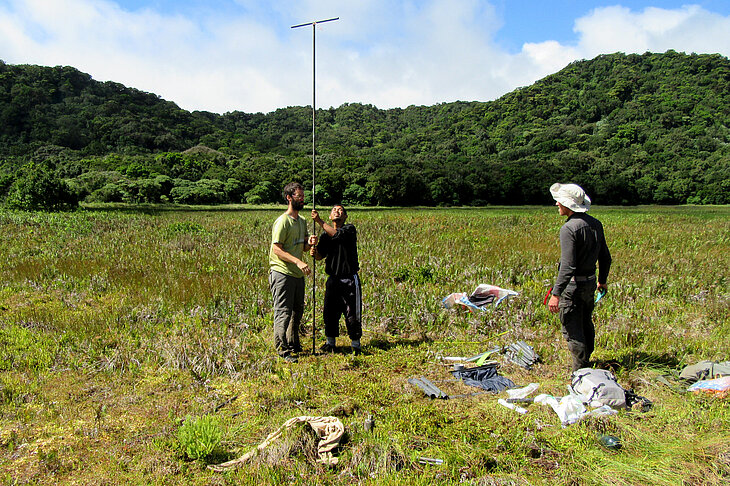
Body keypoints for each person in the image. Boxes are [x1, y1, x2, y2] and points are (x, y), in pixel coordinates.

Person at [547, 183, 612, 372]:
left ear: (568, 205)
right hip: (590, 283)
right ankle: (587, 362)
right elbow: (605, 257)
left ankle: (580, 373)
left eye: (559, 201)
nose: (557, 204)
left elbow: (568, 266)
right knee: (585, 321)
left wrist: (556, 294)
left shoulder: (568, 229)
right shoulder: (595, 224)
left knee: (573, 327)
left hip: (573, 288)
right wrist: (602, 280)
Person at [269, 182, 314, 363]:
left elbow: (302, 247)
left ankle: (293, 342)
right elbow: (276, 249)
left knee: (298, 311)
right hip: (282, 273)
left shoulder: (302, 221)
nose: (302, 199)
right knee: (284, 311)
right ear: (289, 198)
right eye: (299, 196)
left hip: (297, 274)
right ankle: (282, 350)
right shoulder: (282, 221)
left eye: (303, 196)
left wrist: (310, 243)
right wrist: (297, 261)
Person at [309, 204, 362, 355]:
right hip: (333, 279)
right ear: (331, 217)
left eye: (340, 210)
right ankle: (330, 343)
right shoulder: (325, 236)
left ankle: (355, 344)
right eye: (334, 210)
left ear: (345, 217)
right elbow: (320, 256)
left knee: (352, 312)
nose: (337, 212)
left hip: (349, 279)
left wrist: (319, 221)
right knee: (330, 312)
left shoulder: (349, 230)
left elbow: (337, 235)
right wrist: (314, 250)